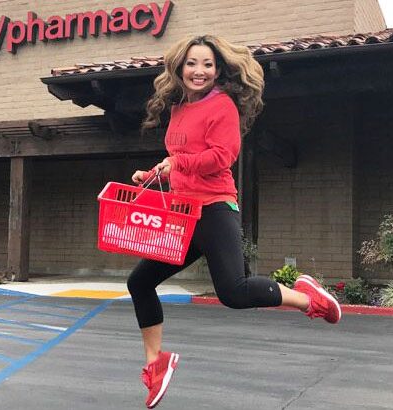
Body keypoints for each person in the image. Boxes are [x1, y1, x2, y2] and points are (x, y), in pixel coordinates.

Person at [128, 34, 341, 409]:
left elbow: (221, 157)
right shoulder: (179, 108)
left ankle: (308, 298)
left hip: (214, 208)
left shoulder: (222, 105)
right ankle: (156, 364)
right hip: (184, 212)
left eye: (207, 64)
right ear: (179, 68)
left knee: (234, 292)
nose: (199, 71)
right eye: (192, 63)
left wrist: (178, 163)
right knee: (140, 282)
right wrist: (155, 173)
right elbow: (182, 160)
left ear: (218, 70)